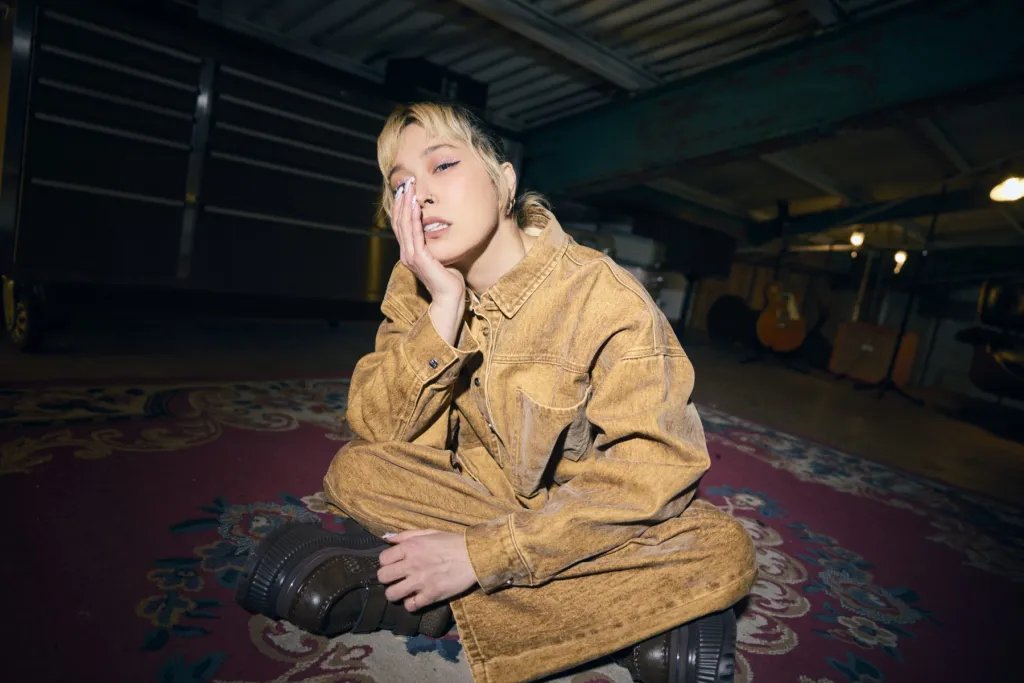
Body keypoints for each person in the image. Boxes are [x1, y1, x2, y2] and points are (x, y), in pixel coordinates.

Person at [237, 102, 757, 683]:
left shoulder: (604, 297)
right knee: (358, 471)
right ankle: (643, 627)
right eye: (400, 185)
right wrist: (443, 308)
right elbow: (380, 429)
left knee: (721, 550)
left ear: (504, 181)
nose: (420, 195)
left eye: (443, 166)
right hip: (470, 497)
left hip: (580, 518)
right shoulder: (416, 282)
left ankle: (416, 598)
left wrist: (479, 556)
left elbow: (655, 469)